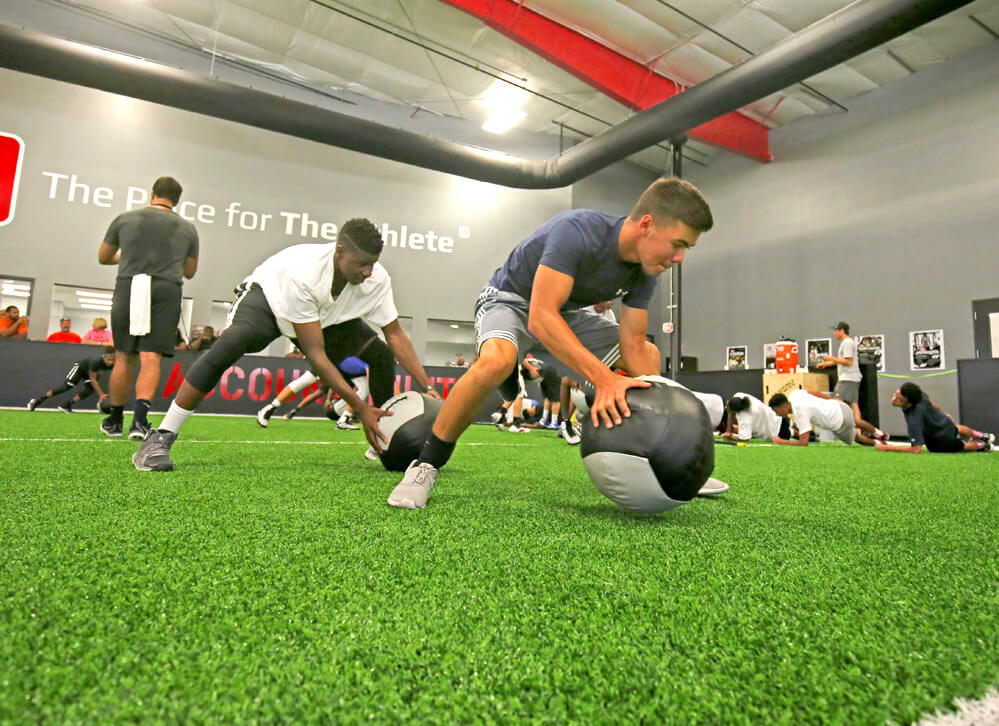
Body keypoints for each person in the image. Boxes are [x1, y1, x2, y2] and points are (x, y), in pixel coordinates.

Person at [388, 176, 713, 509]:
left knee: (648, 353)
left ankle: (668, 460)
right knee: (496, 362)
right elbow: (540, 319)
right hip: (510, 302)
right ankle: (425, 464)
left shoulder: (646, 269)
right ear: (647, 224)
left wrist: (680, 446)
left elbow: (631, 344)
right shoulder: (578, 231)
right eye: (679, 244)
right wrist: (604, 380)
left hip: (563, 312)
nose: (679, 258)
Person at [132, 218, 439, 472]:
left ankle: (385, 440)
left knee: (381, 355)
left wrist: (427, 386)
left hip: (324, 316)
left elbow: (395, 334)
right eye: (361, 264)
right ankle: (161, 436)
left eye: (372, 264)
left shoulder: (376, 280)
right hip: (268, 302)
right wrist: (359, 407)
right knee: (229, 346)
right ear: (340, 251)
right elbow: (317, 356)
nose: (368, 272)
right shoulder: (304, 275)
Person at [98, 176, 199, 440]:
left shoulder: (124, 219)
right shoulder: (188, 228)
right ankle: (139, 423)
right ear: (177, 201)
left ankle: (115, 420)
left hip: (130, 283)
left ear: (152, 193)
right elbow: (189, 271)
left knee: (123, 356)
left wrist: (128, 257)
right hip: (166, 289)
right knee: (150, 356)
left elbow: (104, 256)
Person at [876, 382, 994, 454]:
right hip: (944, 424)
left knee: (962, 446)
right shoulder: (920, 395)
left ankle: (983, 445)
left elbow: (916, 450)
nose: (894, 400)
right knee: (955, 427)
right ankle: (983, 436)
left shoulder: (913, 420)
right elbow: (933, 404)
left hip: (940, 442)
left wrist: (887, 447)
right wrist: (943, 415)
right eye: (895, 395)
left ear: (909, 403)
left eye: (898, 400)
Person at [768, 389, 887, 446]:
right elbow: (814, 392)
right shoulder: (795, 394)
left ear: (783, 407)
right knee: (856, 421)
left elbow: (803, 442)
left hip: (840, 423)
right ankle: (878, 432)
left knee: (857, 438)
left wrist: (781, 441)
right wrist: (831, 399)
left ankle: (877, 442)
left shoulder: (800, 413)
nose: (776, 414)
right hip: (839, 406)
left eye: (775, 411)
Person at [27, 346, 115, 413]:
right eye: (108, 360)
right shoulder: (96, 361)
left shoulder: (115, 363)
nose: (110, 362)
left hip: (90, 372)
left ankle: (66, 405)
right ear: (104, 357)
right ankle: (37, 401)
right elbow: (93, 379)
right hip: (81, 368)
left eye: (112, 360)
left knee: (89, 390)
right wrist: (101, 394)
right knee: (67, 386)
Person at [816, 321, 865, 423]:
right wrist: (826, 363)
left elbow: (848, 362)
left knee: (836, 402)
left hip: (847, 378)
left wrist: (831, 358)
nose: (834, 333)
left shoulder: (847, 343)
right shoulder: (847, 342)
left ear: (842, 330)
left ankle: (838, 427)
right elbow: (843, 361)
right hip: (852, 378)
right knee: (853, 404)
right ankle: (859, 429)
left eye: (835, 330)